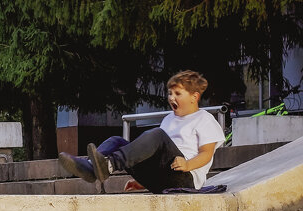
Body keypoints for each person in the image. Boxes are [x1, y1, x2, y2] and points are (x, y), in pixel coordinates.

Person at [59, 69, 225, 193]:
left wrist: (188, 164)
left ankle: (108, 165)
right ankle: (91, 167)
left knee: (157, 135)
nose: (171, 98)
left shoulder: (204, 119)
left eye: (177, 93)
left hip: (185, 178)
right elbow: (156, 156)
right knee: (116, 141)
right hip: (161, 178)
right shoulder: (168, 119)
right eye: (169, 93)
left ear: (194, 97)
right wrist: (142, 181)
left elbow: (206, 154)